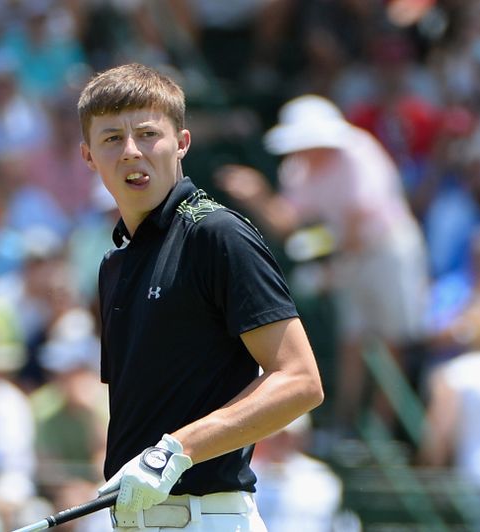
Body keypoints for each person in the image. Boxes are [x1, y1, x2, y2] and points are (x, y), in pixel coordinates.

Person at [76, 63, 324, 531]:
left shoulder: (217, 233)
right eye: (111, 139)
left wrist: (176, 451)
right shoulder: (114, 265)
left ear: (182, 144)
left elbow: (300, 381)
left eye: (148, 134)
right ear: (88, 156)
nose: (131, 151)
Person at [216, 94, 429, 434]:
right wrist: (256, 196)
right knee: (352, 340)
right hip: (351, 256)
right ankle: (346, 427)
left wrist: (328, 267)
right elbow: (286, 224)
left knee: (391, 341)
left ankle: (381, 429)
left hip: (388, 250)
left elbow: (358, 223)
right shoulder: (298, 168)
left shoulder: (359, 152)